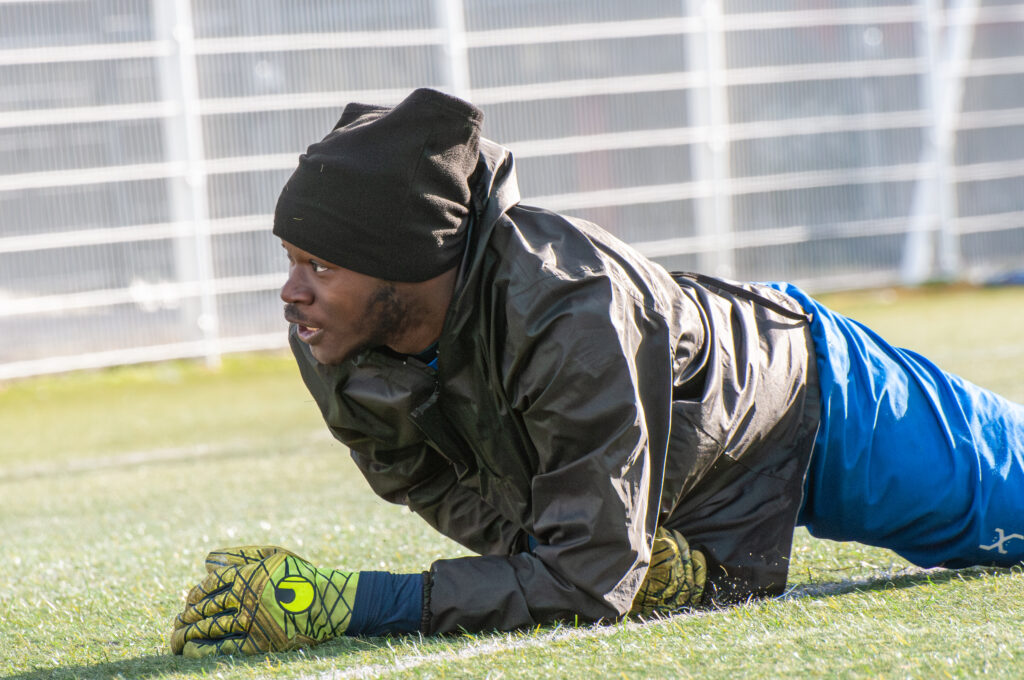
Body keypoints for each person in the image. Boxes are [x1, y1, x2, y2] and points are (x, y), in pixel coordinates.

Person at [170, 88, 1024, 658]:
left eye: (319, 263)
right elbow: (427, 480)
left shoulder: (570, 312)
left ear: (405, 264)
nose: (291, 292)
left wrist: (350, 603)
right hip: (682, 473)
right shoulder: (331, 333)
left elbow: (584, 587)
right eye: (290, 259)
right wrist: (582, 557)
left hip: (813, 401)